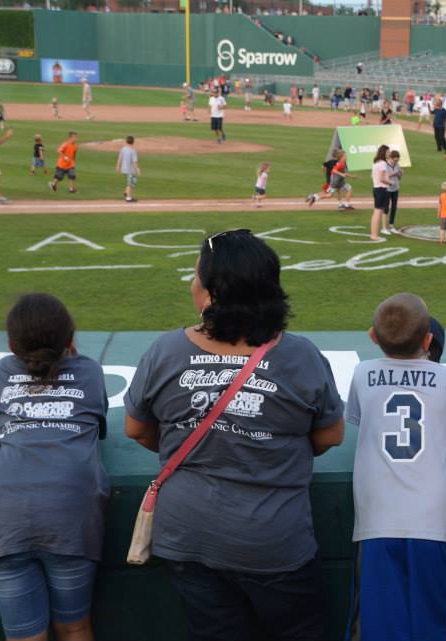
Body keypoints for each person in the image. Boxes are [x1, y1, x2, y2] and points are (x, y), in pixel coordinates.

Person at [124, 230, 345, 641]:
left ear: (210, 295)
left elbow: (136, 428)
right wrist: (275, 449)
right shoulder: (301, 356)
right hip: (273, 539)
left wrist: (190, 446)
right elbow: (329, 435)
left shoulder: (165, 351)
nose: (192, 284)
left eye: (197, 277)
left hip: (189, 536)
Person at [344, 293, 446, 641]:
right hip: (434, 522)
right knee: (436, 624)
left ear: (373, 335)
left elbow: (360, 420)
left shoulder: (361, 372)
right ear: (429, 339)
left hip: (376, 522)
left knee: (376, 626)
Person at [0, 293, 109, 641]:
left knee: (25, 636)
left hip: (4, 520)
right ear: (70, 339)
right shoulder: (89, 371)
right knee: (75, 627)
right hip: (70, 517)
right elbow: (98, 427)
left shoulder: (2, 371)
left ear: (11, 344)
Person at [370, 145, 392, 241]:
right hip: (382, 189)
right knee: (378, 212)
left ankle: (373, 234)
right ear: (384, 153)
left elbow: (372, 176)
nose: (389, 154)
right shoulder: (383, 163)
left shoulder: (376, 162)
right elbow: (382, 178)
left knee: (376, 212)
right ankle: (374, 235)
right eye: (388, 152)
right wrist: (390, 182)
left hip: (376, 188)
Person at [384, 150, 403, 235]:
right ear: (390, 158)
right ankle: (384, 226)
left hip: (395, 188)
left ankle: (391, 225)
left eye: (397, 160)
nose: (396, 162)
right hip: (387, 189)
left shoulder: (397, 165)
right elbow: (385, 176)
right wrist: (395, 172)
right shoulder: (385, 165)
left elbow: (399, 178)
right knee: (386, 208)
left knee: (394, 207)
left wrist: (400, 174)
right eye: (395, 160)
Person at [116, 135, 140, 203]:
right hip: (131, 169)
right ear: (133, 142)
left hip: (125, 168)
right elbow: (135, 161)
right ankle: (128, 198)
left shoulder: (123, 149)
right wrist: (138, 169)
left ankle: (126, 193)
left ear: (126, 141)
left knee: (133, 182)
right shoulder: (133, 151)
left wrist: (118, 166)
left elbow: (120, 158)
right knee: (130, 183)